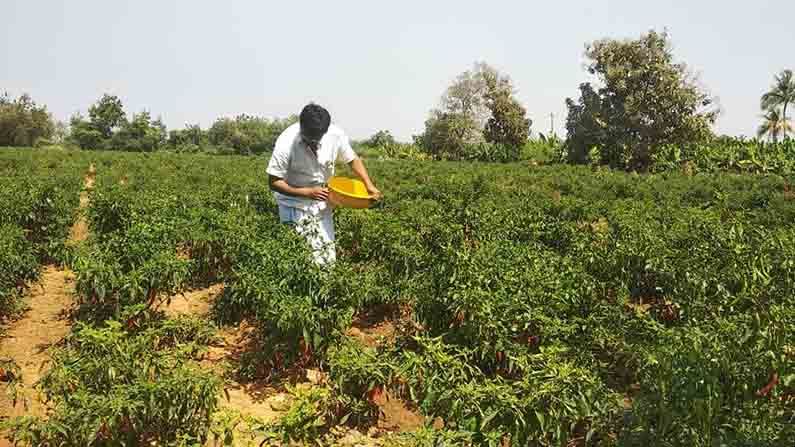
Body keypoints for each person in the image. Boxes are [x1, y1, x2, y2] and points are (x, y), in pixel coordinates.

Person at [266, 103, 381, 265]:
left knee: (326, 258)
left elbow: (352, 159)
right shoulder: (286, 143)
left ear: (325, 130)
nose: (314, 142)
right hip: (293, 205)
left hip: (322, 202)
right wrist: (307, 192)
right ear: (301, 126)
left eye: (317, 138)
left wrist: (368, 184)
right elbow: (274, 182)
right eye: (309, 138)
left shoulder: (335, 134)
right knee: (301, 259)